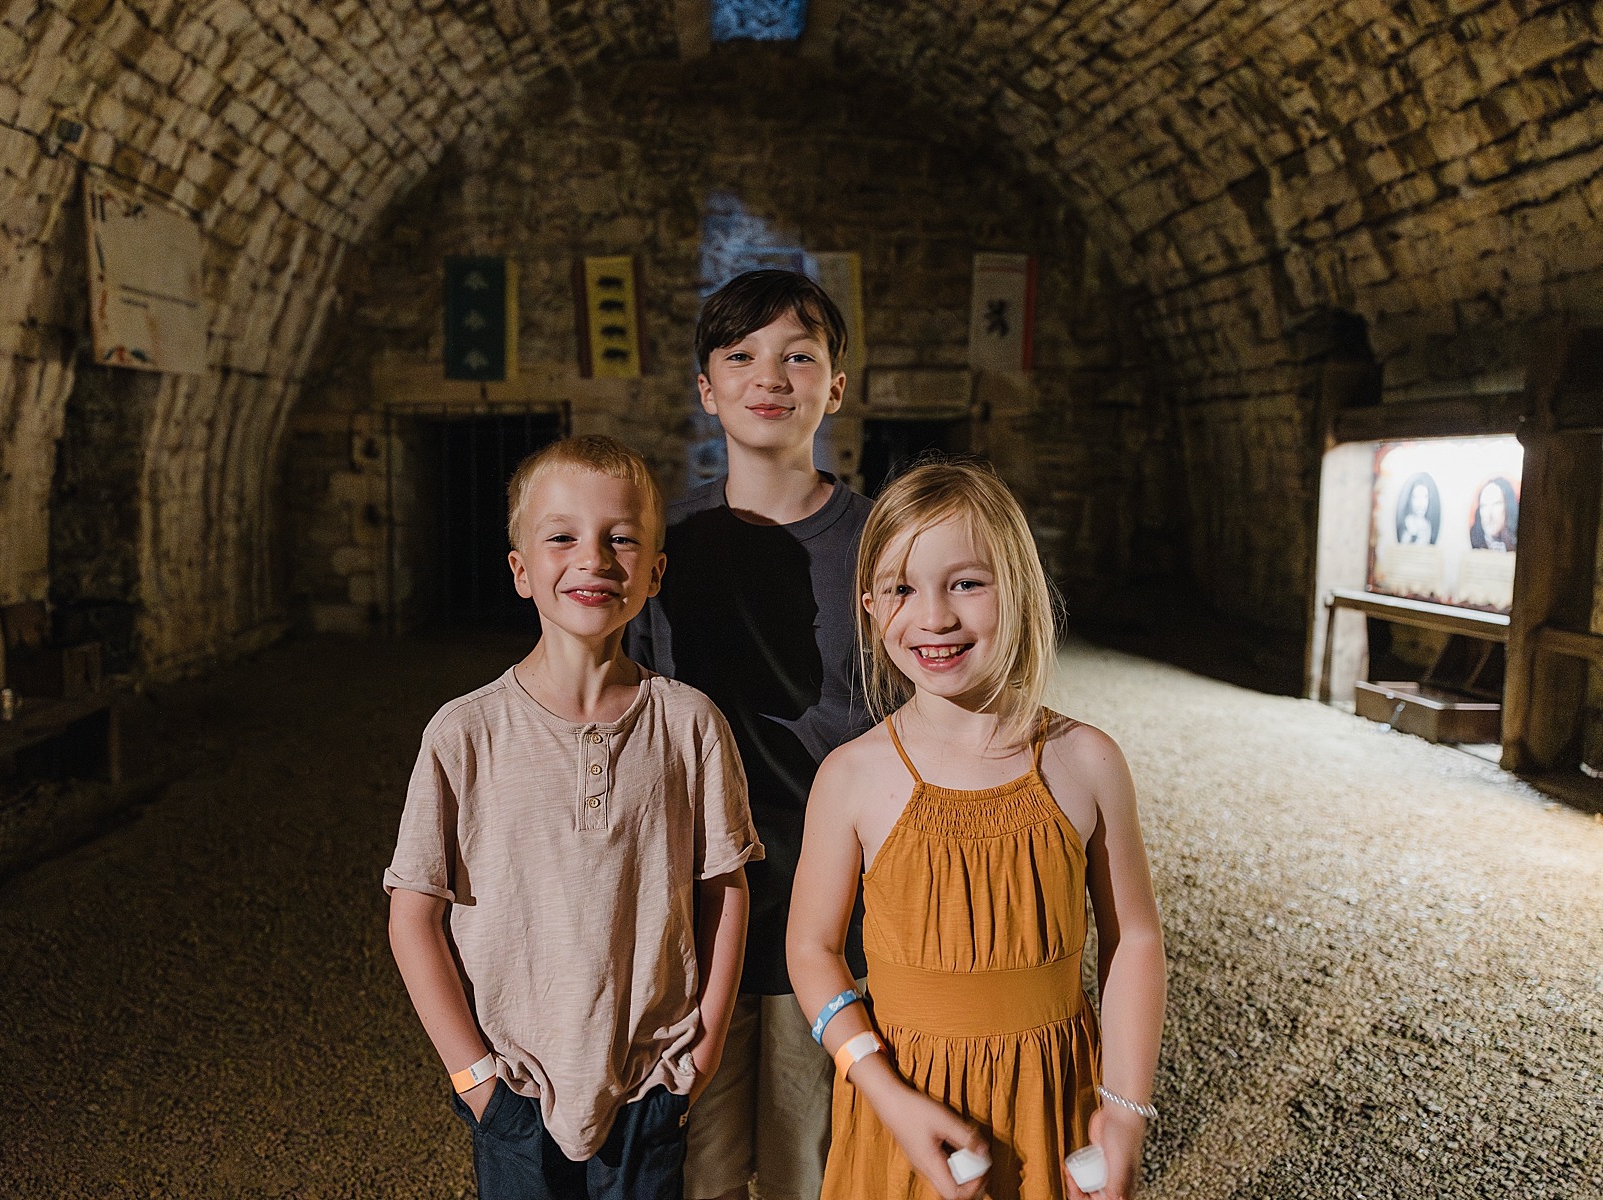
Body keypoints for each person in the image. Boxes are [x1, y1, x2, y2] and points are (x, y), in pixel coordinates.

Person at [386, 435, 763, 1200]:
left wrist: (706, 1049)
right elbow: (412, 916)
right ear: (522, 571)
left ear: (654, 572)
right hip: (515, 1087)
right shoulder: (465, 734)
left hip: (650, 1084)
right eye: (562, 537)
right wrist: (476, 1081)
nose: (593, 558)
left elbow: (725, 887)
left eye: (620, 537)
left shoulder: (690, 725)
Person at [787, 460, 1167, 1200]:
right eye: (902, 588)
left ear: (1018, 586)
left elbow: (1136, 940)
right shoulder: (851, 777)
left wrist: (1125, 1113)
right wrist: (883, 1092)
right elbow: (812, 948)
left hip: (1051, 1107)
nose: (934, 617)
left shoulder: (1086, 761)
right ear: (868, 605)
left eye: (966, 582)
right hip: (903, 1106)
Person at [628, 269, 871, 1200]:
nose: (770, 376)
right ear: (707, 389)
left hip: (837, 894)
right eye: (742, 356)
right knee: (705, 1161)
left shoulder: (878, 541)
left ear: (834, 388)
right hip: (702, 896)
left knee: (814, 1157)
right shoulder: (662, 542)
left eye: (798, 355)